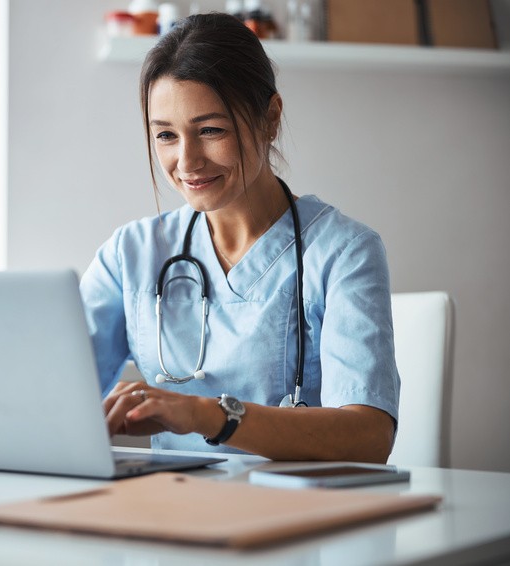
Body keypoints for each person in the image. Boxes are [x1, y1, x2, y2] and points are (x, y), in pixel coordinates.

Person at [80, 13, 399, 463]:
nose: (187, 161)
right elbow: (48, 393)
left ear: (270, 118)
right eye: (167, 135)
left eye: (211, 130)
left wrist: (209, 415)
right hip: (171, 511)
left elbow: (369, 437)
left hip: (296, 514)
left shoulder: (344, 253)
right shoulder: (129, 255)